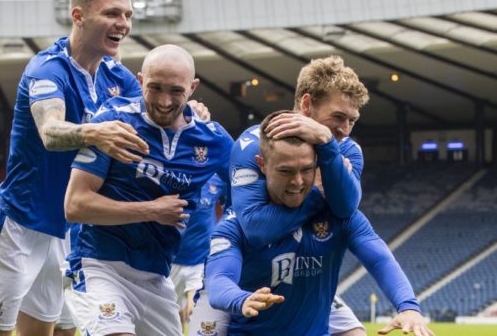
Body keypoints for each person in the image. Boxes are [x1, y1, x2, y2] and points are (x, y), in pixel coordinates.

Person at [0, 0, 150, 336]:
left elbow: (152, 118)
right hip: (17, 225)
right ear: (78, 15)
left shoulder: (118, 77)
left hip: (67, 231)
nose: (123, 24)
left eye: (127, 15)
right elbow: (51, 131)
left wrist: (188, 115)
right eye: (112, 14)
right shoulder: (48, 68)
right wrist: (96, 133)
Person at [203, 111, 434, 336]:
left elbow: (379, 257)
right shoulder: (237, 225)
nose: (298, 181)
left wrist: (408, 306)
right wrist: (242, 299)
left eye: (307, 169)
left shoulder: (337, 215)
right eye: (286, 171)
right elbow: (218, 280)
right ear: (261, 165)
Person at [190, 56, 370, 336]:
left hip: (300, 273)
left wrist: (326, 146)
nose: (345, 130)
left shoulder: (345, 149)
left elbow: (346, 207)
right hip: (244, 270)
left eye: (352, 120)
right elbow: (257, 229)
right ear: (307, 104)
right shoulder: (253, 144)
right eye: (338, 117)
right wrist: (319, 192)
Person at [63, 44, 234, 336]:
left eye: (176, 91)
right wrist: (151, 211)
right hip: (98, 265)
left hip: (156, 276)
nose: (164, 101)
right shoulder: (114, 122)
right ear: (140, 81)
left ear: (192, 88)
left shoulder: (214, 140)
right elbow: (75, 205)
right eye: (154, 88)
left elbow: (243, 203)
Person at [171, 174, 226, 325]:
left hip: (201, 258)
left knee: (195, 310)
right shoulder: (176, 175)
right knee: (172, 314)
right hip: (173, 259)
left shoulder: (217, 179)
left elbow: (231, 204)